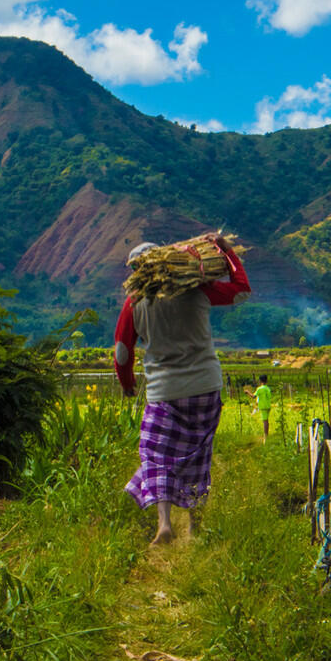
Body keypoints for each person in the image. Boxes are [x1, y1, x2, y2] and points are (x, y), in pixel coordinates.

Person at [114, 233, 251, 545]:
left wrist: (127, 384)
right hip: (205, 386)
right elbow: (241, 292)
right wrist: (228, 253)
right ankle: (195, 527)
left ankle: (164, 524)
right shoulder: (197, 289)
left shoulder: (134, 302)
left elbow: (123, 352)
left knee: (156, 455)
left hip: (165, 392)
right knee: (198, 456)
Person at [247, 374, 272, 443]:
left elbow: (253, 396)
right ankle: (267, 434)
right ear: (267, 380)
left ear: (260, 381)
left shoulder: (260, 389)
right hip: (268, 405)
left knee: (265, 421)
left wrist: (248, 392)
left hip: (263, 406)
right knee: (267, 420)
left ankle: (265, 436)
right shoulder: (268, 388)